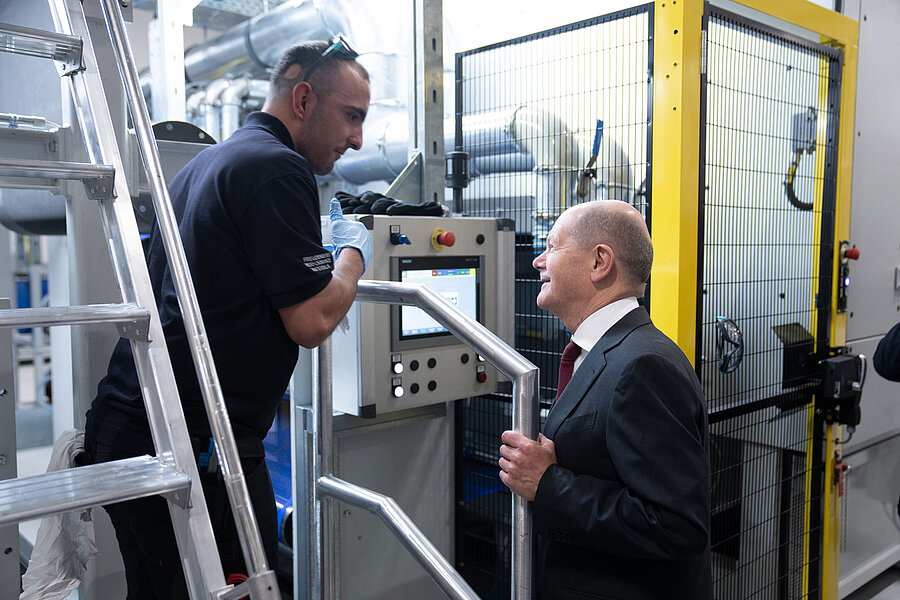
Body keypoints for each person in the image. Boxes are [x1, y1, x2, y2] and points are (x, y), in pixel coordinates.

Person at [82, 38, 372, 599]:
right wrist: (352, 258)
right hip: (197, 442)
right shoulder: (277, 168)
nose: (357, 139)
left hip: (133, 423)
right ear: (304, 99)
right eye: (352, 116)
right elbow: (311, 322)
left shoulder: (207, 163)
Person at [498, 200, 713, 599]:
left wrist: (548, 483)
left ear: (600, 262)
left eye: (553, 246)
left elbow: (676, 525)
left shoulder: (644, 365)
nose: (538, 261)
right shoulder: (600, 354)